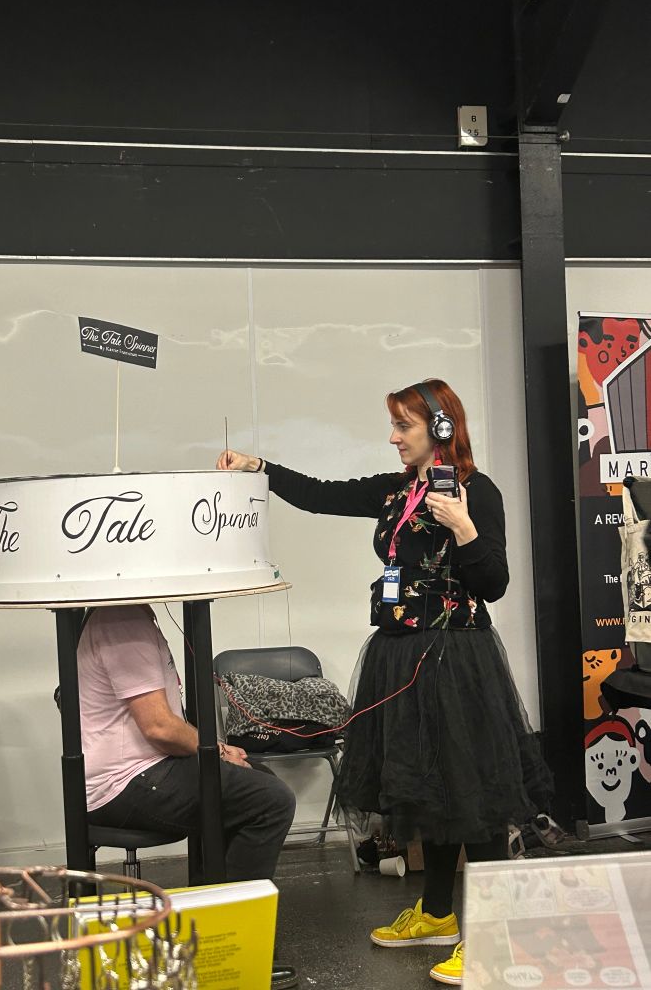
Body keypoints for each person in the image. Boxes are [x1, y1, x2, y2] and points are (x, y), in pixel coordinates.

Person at [217, 378, 552, 987]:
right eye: (393, 426)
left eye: (404, 426)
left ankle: (495, 938)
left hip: (458, 656)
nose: (393, 437)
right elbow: (320, 496)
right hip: (402, 655)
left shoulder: (479, 492)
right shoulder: (397, 490)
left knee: (470, 793)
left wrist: (465, 528)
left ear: (441, 428)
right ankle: (437, 913)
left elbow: (495, 581)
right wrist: (256, 466)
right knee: (429, 789)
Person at [77, 603, 298, 990]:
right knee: (270, 799)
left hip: (139, 771)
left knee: (252, 783)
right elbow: (160, 727)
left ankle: (206, 935)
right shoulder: (122, 619)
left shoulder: (128, 616)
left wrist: (218, 754)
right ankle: (237, 949)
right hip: (127, 781)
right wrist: (218, 750)